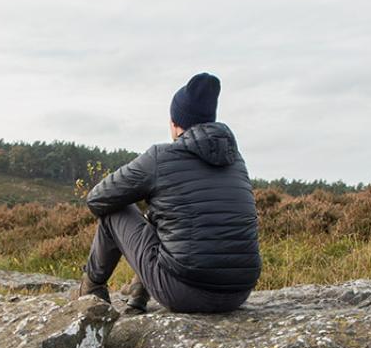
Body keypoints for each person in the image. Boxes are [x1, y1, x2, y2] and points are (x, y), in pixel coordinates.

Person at [77, 72, 261, 313]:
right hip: (238, 292)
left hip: (182, 292)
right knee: (167, 211)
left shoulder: (160, 157)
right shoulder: (236, 160)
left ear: (175, 123)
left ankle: (91, 292)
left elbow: (97, 199)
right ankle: (138, 290)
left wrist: (146, 201)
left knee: (115, 208)